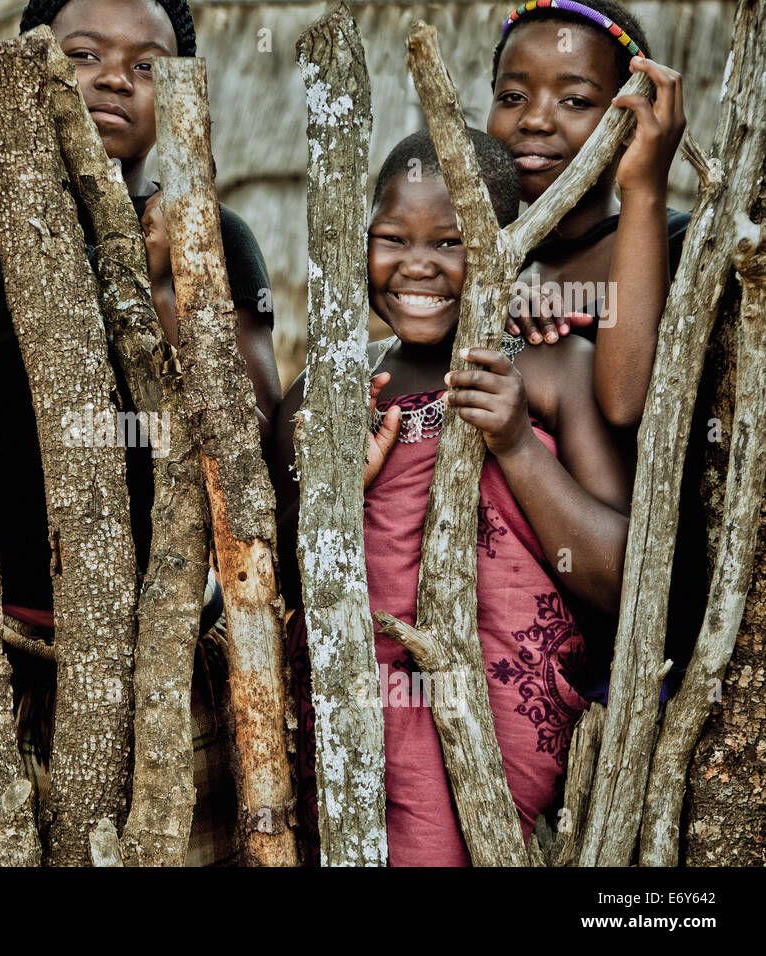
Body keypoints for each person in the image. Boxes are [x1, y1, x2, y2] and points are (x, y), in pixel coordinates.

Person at [0, 0, 281, 864]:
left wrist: (175, 291)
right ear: (31, 71)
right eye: (84, 54)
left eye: (147, 65)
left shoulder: (213, 242)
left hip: (164, 654)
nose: (115, 78)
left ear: (177, 94)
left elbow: (252, 427)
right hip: (1, 661)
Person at [273, 129, 631, 865]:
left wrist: (516, 446)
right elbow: (274, 577)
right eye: (392, 237)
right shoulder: (326, 395)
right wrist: (343, 491)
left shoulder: (553, 368)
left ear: (508, 247)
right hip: (358, 716)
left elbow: (620, 577)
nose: (417, 264)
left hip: (498, 731)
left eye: (452, 242)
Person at [488, 0, 687, 427]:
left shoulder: (684, 246)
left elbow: (623, 403)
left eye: (575, 101)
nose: (535, 120)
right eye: (512, 96)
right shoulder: (495, 261)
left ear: (631, 121)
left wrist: (644, 188)